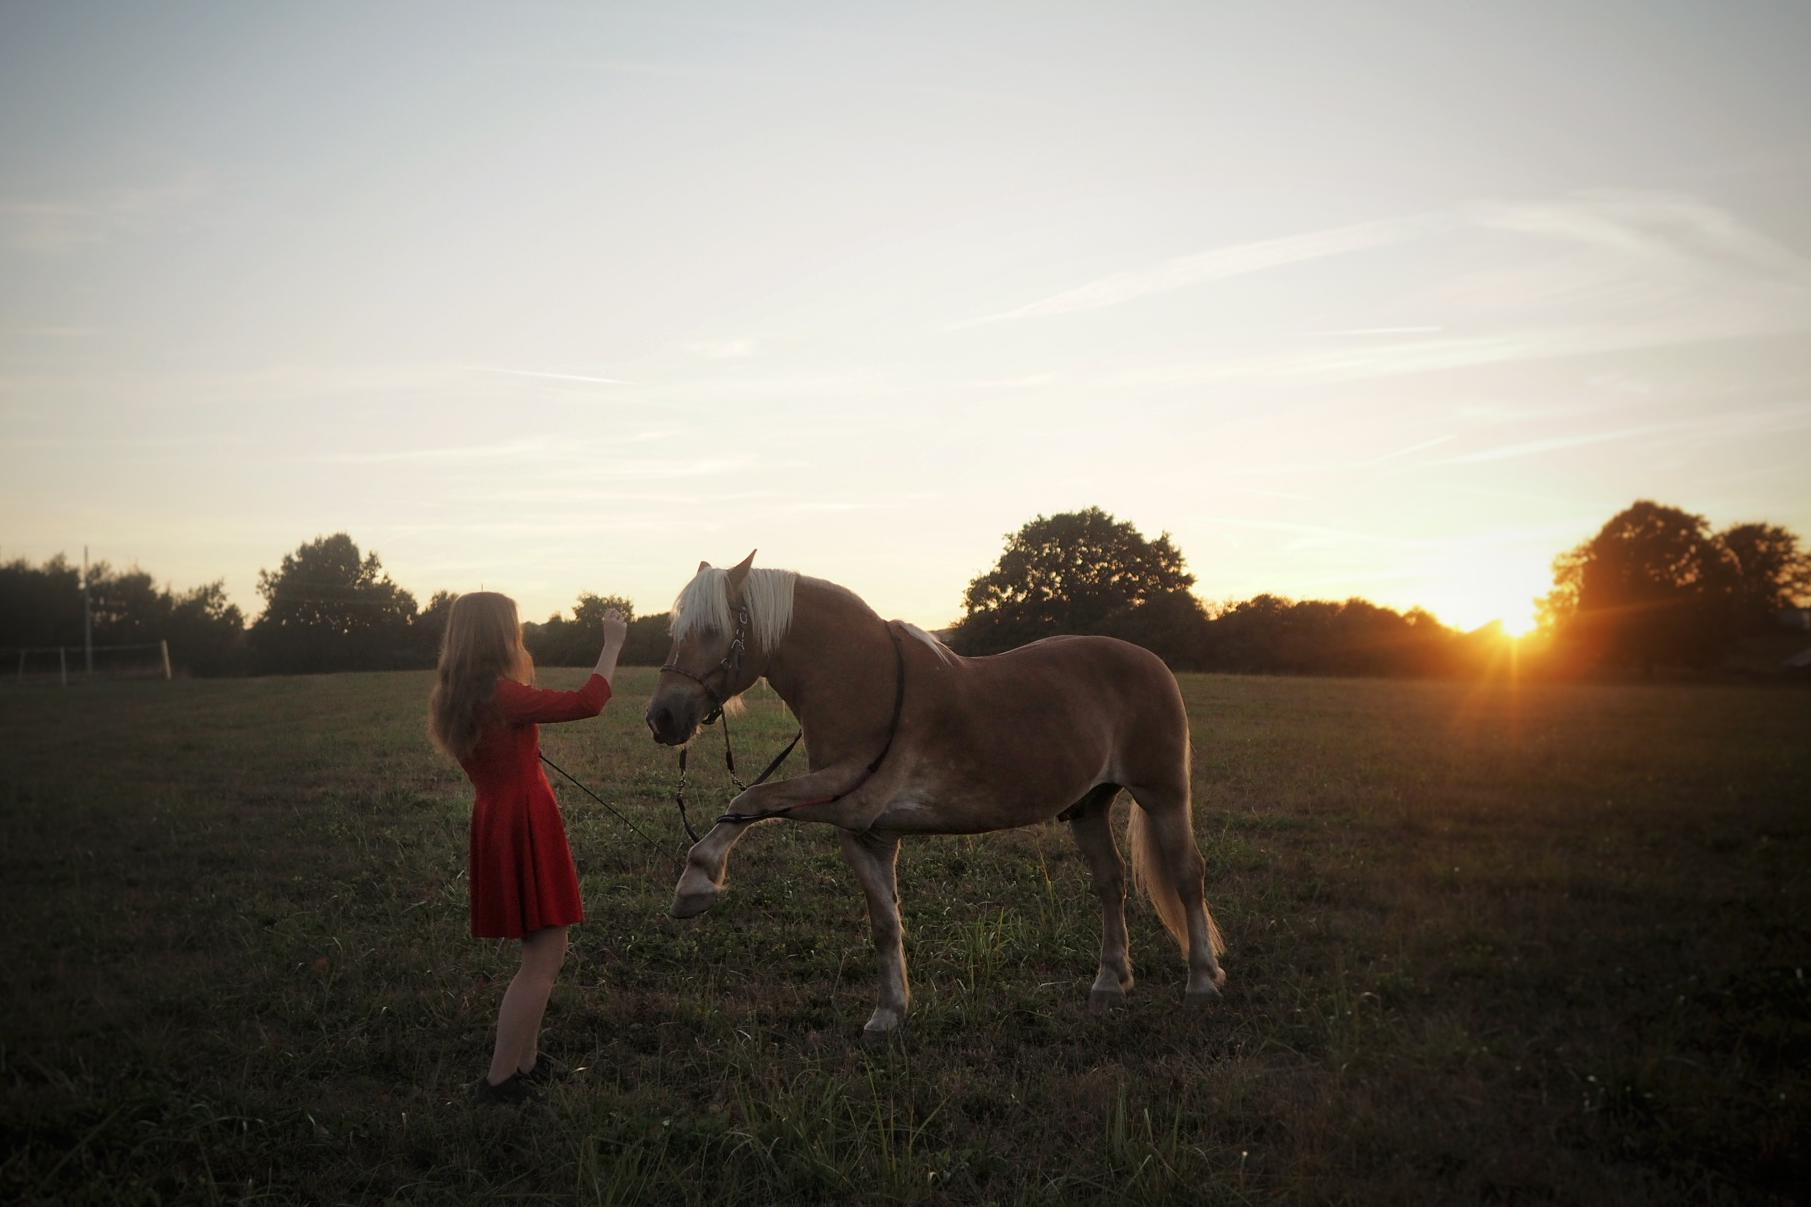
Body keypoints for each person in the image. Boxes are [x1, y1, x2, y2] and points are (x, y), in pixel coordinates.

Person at [427, 591, 627, 1103]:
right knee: (543, 958)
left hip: (499, 818)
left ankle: (527, 1064)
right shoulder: (500, 695)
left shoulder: (461, 694)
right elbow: (589, 702)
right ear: (498, 634)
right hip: (524, 822)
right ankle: (499, 1082)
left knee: (541, 949)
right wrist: (613, 643)